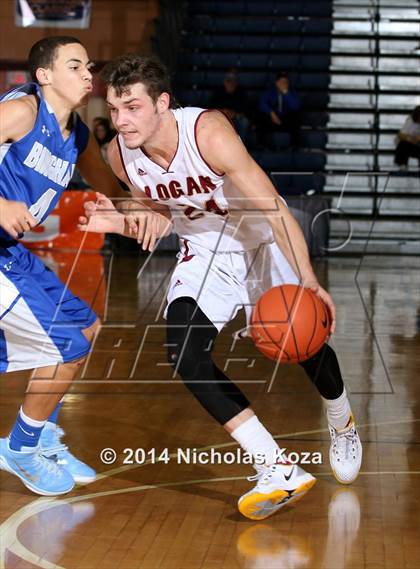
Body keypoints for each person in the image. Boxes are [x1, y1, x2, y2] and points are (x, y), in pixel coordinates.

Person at [80, 54, 362, 521]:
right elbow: (163, 218)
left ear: (162, 103)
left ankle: (341, 420)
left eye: (131, 107)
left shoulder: (207, 133)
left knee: (304, 341)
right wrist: (124, 221)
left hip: (257, 240)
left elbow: (274, 208)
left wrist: (309, 281)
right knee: (184, 353)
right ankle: (275, 466)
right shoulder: (118, 155)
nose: (120, 120)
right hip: (204, 251)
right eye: (113, 109)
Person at [0, 36, 155, 496]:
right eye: (74, 66)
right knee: (65, 348)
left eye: (88, 67)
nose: (88, 75)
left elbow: (109, 182)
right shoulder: (22, 113)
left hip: (10, 252)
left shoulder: (78, 133)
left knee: (85, 328)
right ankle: (21, 448)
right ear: (44, 76)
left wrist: (141, 206)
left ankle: (42, 436)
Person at [257, 71, 301, 148]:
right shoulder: (270, 91)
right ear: (276, 82)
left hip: (286, 119)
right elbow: (262, 104)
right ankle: (262, 145)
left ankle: (294, 146)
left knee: (296, 117)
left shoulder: (291, 92)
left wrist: (285, 93)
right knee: (261, 117)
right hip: (272, 118)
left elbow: (296, 106)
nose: (283, 84)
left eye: (285, 82)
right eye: (281, 82)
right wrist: (271, 113)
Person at [209, 69, 251, 143]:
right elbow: (210, 107)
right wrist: (222, 111)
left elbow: (246, 109)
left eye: (233, 82)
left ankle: (240, 145)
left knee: (244, 122)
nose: (230, 84)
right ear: (225, 82)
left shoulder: (241, 93)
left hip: (236, 118)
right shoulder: (218, 92)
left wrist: (235, 113)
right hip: (221, 117)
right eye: (228, 81)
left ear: (236, 83)